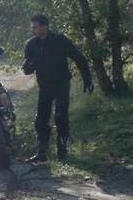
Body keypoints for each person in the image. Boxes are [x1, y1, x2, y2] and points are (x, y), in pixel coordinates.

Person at [22, 14, 93, 161]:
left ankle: (62, 151)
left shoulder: (60, 40)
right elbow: (27, 69)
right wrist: (31, 63)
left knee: (61, 116)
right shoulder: (31, 44)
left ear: (44, 26)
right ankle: (42, 152)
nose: (33, 30)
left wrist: (87, 79)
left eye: (35, 27)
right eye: (32, 27)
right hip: (44, 86)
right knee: (41, 120)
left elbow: (79, 58)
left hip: (61, 84)